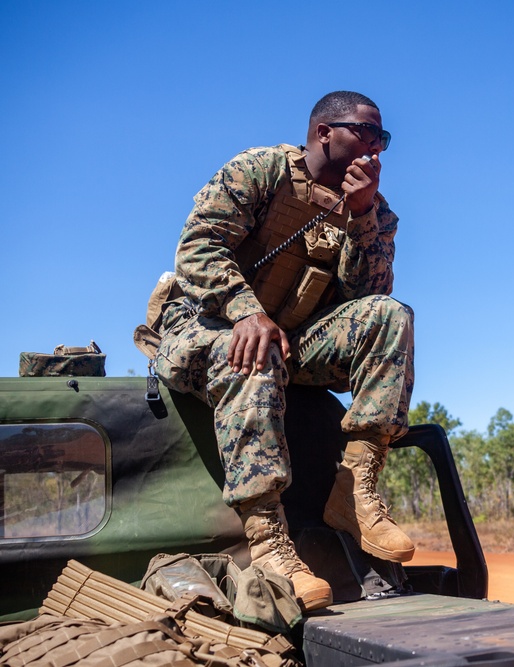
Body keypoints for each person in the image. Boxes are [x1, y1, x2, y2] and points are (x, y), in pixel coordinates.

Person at [150, 91, 415, 612]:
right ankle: (270, 543)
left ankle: (354, 490)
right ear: (324, 133)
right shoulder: (261, 170)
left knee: (392, 316)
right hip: (200, 330)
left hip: (291, 343)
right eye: (365, 133)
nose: (376, 149)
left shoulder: (376, 211)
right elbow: (197, 248)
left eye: (382, 138)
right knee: (250, 348)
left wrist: (360, 217)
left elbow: (367, 298)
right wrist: (246, 310)